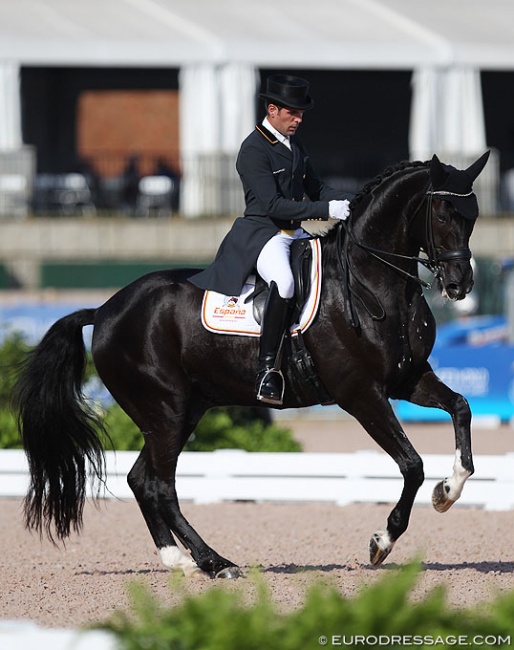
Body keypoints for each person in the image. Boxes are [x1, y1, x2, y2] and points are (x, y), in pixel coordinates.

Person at [191, 74, 352, 405]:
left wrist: (355, 201)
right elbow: (273, 205)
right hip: (267, 233)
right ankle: (268, 371)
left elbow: (318, 189)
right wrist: (326, 210)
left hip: (297, 232)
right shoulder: (253, 149)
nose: (299, 119)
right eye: (293, 113)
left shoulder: (295, 146)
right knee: (285, 282)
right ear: (273, 109)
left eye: (301, 113)